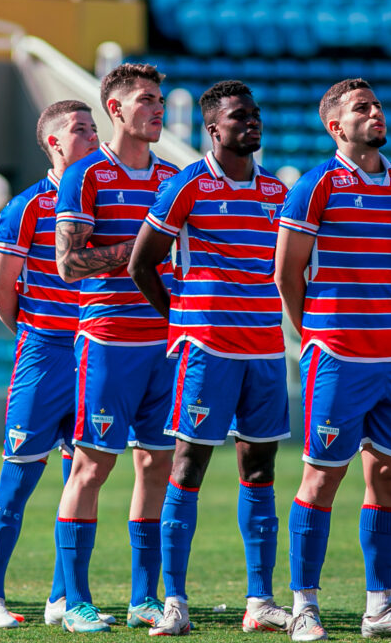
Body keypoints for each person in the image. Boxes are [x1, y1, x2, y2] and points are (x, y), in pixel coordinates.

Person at [128, 80, 292, 637]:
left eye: (256, 113)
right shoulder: (187, 186)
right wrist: (181, 316)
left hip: (267, 349)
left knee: (260, 470)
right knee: (187, 467)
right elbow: (141, 263)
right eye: (239, 116)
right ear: (213, 128)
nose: (252, 122)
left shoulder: (276, 192)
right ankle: (173, 599)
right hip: (206, 349)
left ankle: (260, 601)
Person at [274, 78, 391, 642]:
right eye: (361, 108)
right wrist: (313, 333)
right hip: (338, 357)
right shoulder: (316, 186)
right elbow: (286, 273)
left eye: (378, 105)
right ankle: (304, 606)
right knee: (322, 477)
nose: (375, 113)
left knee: (390, 477)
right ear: (335, 125)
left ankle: (380, 607)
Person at [53, 62, 180, 633]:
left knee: (156, 464)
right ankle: (74, 599)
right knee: (92, 465)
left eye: (159, 100)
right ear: (116, 109)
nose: (157, 108)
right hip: (107, 337)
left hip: (167, 339)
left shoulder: (175, 177)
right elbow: (67, 264)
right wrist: (139, 252)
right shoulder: (86, 174)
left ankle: (143, 598)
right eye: (146, 99)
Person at [0, 100, 100, 629]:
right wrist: (38, 331)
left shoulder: (112, 197)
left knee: (84, 476)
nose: (92, 137)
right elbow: (0, 291)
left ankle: (64, 597)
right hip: (45, 355)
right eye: (80, 130)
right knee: (18, 479)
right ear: (52, 142)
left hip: (99, 355)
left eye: (96, 128)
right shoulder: (29, 205)